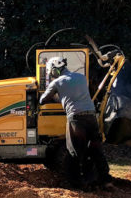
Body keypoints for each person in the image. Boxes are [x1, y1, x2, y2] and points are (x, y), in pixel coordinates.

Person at [39, 57, 113, 190]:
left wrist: (56, 95)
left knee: (74, 151)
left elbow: (42, 100)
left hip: (76, 118)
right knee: (96, 149)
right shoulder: (81, 77)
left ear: (55, 70)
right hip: (91, 116)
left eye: (51, 72)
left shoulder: (56, 82)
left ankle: (77, 184)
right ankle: (105, 181)